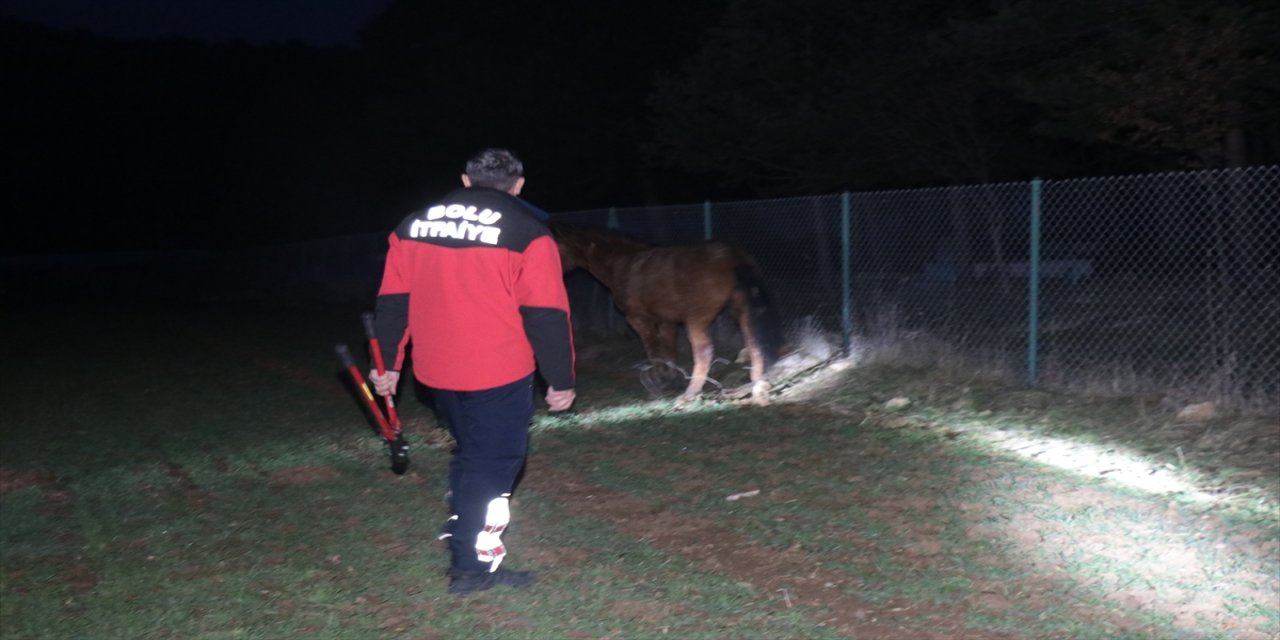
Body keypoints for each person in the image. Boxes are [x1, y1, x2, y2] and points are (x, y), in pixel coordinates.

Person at [367, 148, 576, 597]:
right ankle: (471, 566)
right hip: (498, 371)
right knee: (494, 467)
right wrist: (561, 378)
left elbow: (392, 304)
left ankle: (461, 526)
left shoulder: (412, 225)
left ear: (465, 180)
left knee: (471, 455)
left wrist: (387, 364)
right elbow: (546, 314)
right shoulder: (528, 232)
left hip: (437, 372)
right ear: (518, 185)